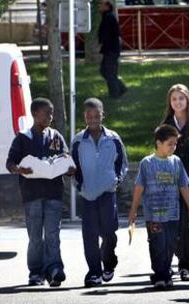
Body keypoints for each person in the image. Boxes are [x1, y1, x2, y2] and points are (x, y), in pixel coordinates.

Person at [6, 98, 75, 287]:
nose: (50, 116)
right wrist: (19, 169)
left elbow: (66, 158)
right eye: (47, 113)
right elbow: (10, 163)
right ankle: (35, 272)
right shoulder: (23, 137)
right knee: (35, 236)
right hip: (32, 194)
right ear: (35, 114)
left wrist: (69, 168)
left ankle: (54, 270)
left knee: (53, 233)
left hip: (54, 193)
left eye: (52, 113)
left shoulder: (56, 136)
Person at [128, 124, 189, 290]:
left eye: (175, 144)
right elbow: (139, 187)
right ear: (158, 143)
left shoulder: (176, 162)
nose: (173, 147)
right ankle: (160, 275)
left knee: (170, 245)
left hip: (173, 214)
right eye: (170, 144)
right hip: (154, 215)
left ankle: (165, 272)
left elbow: (184, 186)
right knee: (157, 244)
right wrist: (133, 210)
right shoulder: (147, 163)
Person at [71, 98, 128, 287]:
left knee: (109, 233)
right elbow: (74, 167)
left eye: (96, 115)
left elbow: (122, 163)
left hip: (107, 192)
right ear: (84, 117)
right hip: (87, 195)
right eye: (89, 116)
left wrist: (116, 180)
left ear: (102, 115)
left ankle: (109, 263)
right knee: (90, 235)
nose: (93, 119)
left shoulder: (113, 138)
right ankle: (94, 272)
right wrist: (80, 186)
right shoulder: (78, 140)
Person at [161, 84, 189, 281]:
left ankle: (186, 265)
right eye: (174, 98)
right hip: (170, 181)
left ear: (188, 100)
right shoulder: (165, 125)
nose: (178, 102)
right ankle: (174, 256)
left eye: (181, 98)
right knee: (171, 224)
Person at [98, 0, 127, 99]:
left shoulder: (108, 17)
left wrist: (100, 41)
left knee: (108, 72)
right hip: (110, 49)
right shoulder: (107, 17)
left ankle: (115, 93)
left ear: (107, 6)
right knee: (106, 71)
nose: (99, 6)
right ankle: (120, 88)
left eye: (101, 4)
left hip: (111, 49)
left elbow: (105, 34)